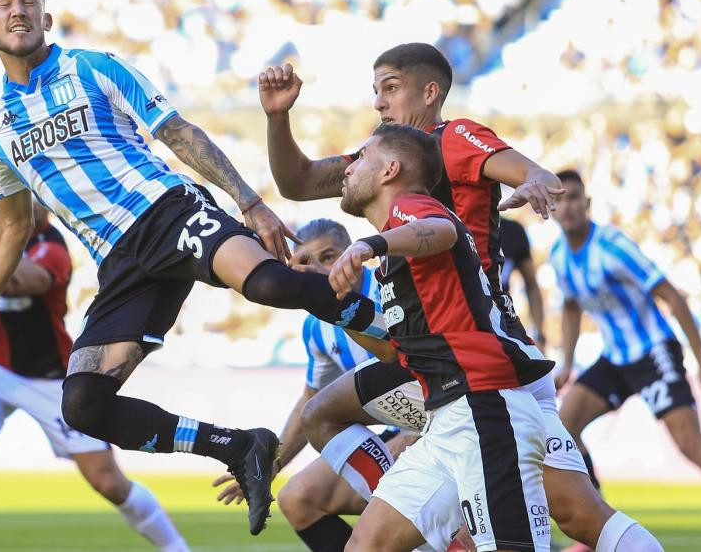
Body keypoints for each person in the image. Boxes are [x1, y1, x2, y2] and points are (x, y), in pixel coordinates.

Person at [0, 0, 385, 536]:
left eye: (29, 0)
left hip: (166, 210)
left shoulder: (94, 68)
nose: (17, 10)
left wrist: (249, 201)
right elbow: (13, 224)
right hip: (120, 261)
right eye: (3, 3)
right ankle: (239, 446)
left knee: (269, 284)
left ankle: (400, 330)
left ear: (46, 17)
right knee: (84, 405)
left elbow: (178, 133)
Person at [259, 45, 658, 551]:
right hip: (441, 363)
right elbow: (295, 181)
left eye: (390, 86)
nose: (379, 101)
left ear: (430, 92)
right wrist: (278, 119)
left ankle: (450, 523)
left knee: (575, 515)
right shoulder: (384, 155)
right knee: (324, 417)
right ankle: (439, 518)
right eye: (375, 90)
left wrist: (535, 183)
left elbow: (526, 180)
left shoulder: (447, 144)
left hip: (479, 352)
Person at [0, 204, 188, 551]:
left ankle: (175, 547)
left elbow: (22, 281)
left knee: (108, 482)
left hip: (52, 377)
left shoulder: (52, 248)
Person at [329, 123, 554, 552]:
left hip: (486, 409)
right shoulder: (397, 256)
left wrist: (369, 245)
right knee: (365, 546)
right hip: (446, 421)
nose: (347, 166)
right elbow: (398, 351)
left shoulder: (411, 208)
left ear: (390, 169)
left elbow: (443, 229)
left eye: (360, 156)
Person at [550, 169, 701, 552]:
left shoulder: (612, 246)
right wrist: (566, 363)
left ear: (587, 203)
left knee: (690, 444)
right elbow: (570, 307)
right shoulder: (559, 256)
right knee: (564, 427)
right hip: (615, 358)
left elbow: (671, 296)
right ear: (549, 206)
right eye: (559, 198)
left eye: (574, 197)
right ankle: (595, 529)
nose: (567, 206)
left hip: (653, 352)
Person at [210, 219, 423, 552]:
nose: (325, 268)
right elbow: (310, 397)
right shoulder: (315, 328)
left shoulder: (389, 289)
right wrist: (272, 465)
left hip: (439, 425)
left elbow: (432, 361)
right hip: (397, 434)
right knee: (297, 499)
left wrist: (414, 435)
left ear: (354, 254)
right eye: (307, 262)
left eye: (330, 256)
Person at [500, 217, 546, 348]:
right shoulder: (455, 222)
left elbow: (531, 285)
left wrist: (539, 334)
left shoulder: (513, 231)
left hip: (501, 323)